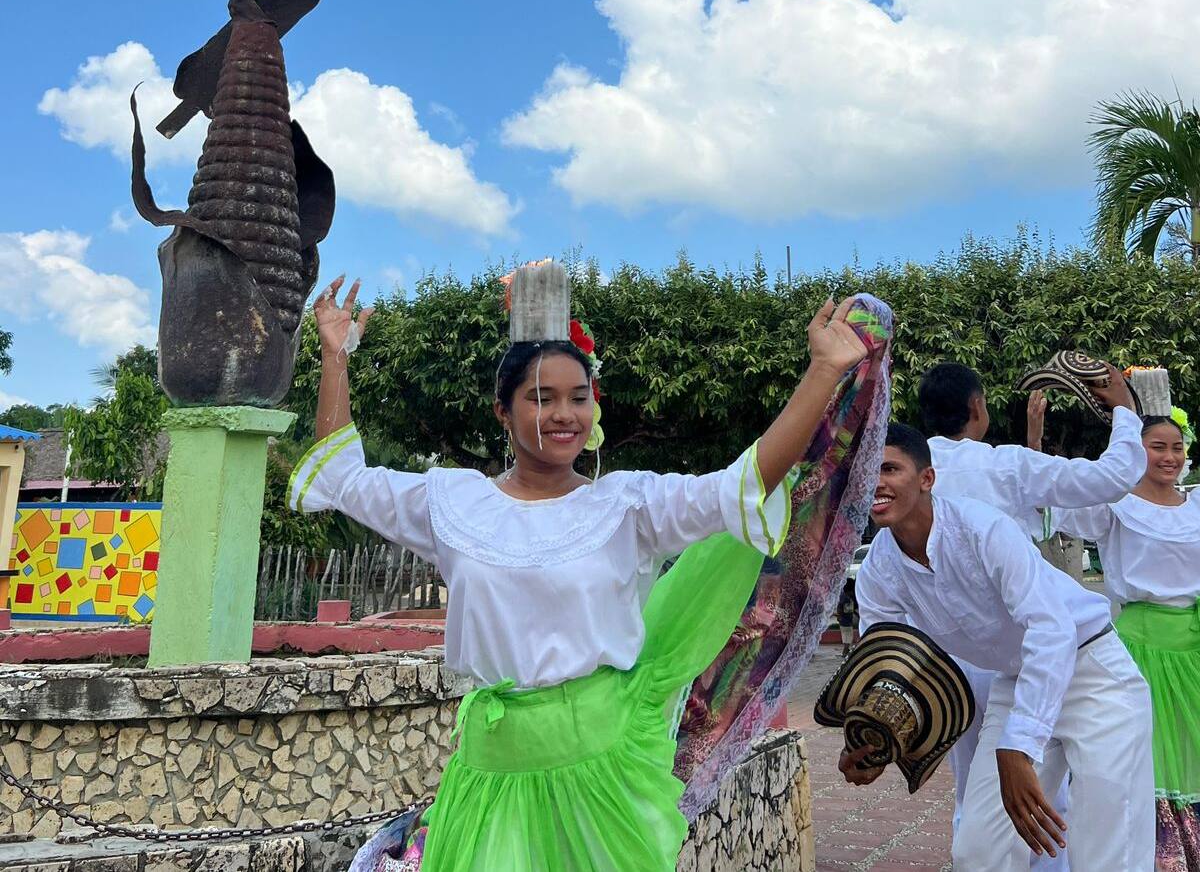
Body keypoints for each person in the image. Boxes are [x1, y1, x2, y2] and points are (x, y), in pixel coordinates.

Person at [292, 271, 875, 872]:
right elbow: (340, 479)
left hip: (599, 773)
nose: (564, 414)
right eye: (542, 398)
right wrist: (336, 357)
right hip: (489, 774)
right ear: (503, 410)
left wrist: (823, 372)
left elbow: (744, 483)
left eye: (578, 397)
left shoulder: (625, 506)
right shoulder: (452, 504)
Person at [844, 423, 1154, 872]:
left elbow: (1052, 629)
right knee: (980, 852)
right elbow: (887, 666)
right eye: (866, 470)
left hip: (1095, 676)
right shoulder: (878, 571)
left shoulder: (982, 528)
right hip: (1018, 680)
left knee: (1107, 853)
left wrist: (1020, 745)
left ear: (926, 479)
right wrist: (874, 740)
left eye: (889, 468)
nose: (876, 481)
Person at [917, 361, 1145, 871]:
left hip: (965, 663)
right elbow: (1113, 476)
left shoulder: (906, 475)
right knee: (1051, 804)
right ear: (978, 408)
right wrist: (1126, 412)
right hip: (1027, 657)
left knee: (981, 819)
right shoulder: (1003, 465)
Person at [1053, 415, 1200, 871]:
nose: (1170, 457)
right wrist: (1036, 441)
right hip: (1139, 647)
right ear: (1136, 451)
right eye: (1158, 446)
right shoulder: (1114, 506)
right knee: (1144, 755)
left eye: (1176, 447)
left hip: (1194, 646)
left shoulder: (1197, 506)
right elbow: (1054, 498)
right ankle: (1156, 858)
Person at [836, 578, 859, 656]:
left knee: (847, 636)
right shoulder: (846, 597)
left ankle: (846, 650)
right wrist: (839, 615)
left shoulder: (846, 596)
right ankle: (845, 652)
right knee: (848, 636)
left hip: (845, 619)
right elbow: (840, 607)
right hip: (845, 620)